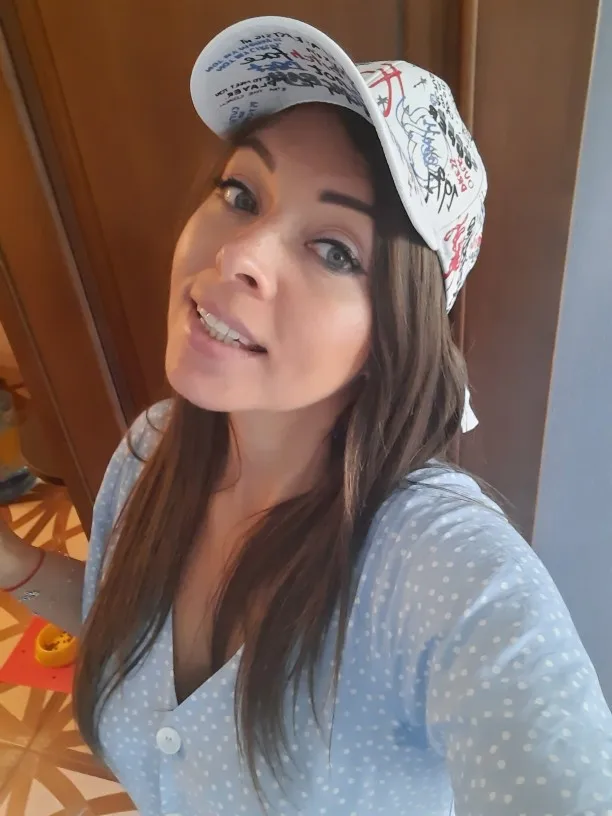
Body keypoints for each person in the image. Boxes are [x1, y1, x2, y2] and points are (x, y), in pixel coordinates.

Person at [1, 15, 611, 816]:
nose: (240, 254)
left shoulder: (440, 570)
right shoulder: (148, 453)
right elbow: (124, 625)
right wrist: (10, 561)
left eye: (334, 250)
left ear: (392, 334)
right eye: (241, 194)